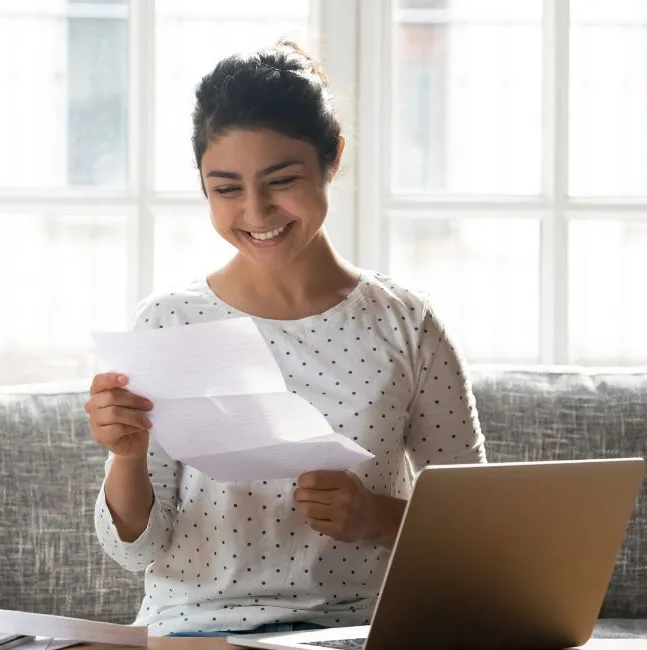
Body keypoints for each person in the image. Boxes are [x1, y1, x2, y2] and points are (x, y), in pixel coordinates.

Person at [86, 40, 486, 638]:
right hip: (197, 631)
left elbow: (481, 534)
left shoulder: (407, 323)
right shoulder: (169, 321)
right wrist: (127, 453)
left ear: (332, 159)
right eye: (225, 189)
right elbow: (134, 551)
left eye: (281, 180)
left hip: (356, 632)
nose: (256, 211)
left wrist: (379, 518)